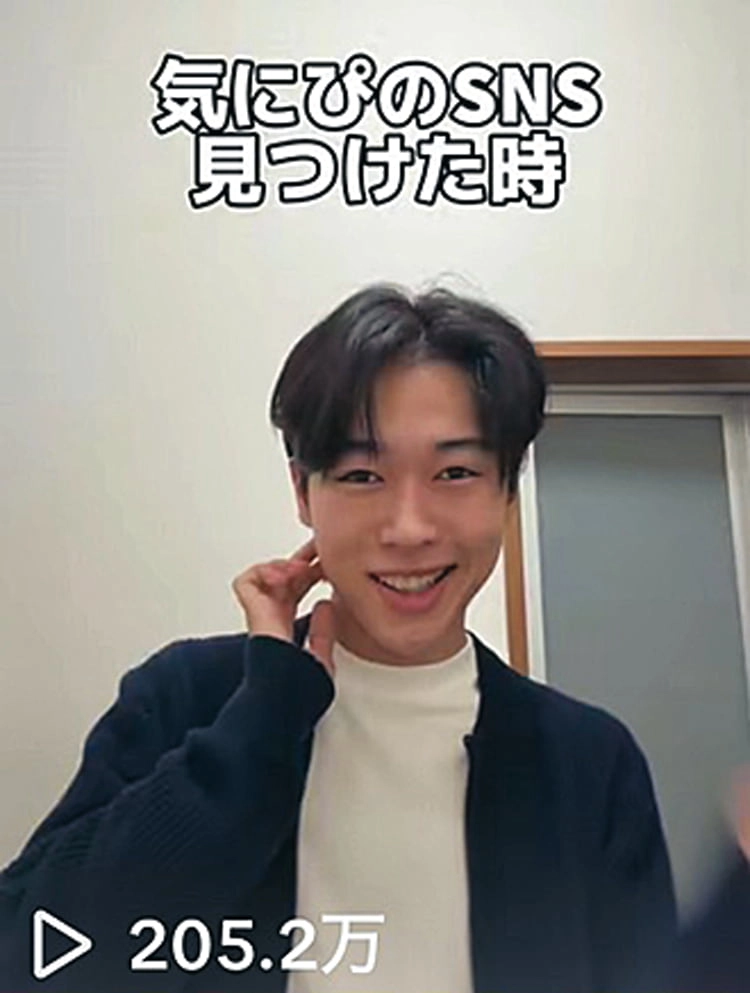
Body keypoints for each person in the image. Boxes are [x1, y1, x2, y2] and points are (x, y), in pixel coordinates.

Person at [0, 283, 709, 993]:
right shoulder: (190, 699)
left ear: (506, 490)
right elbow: (33, 958)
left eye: (455, 472)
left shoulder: (587, 763)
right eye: (363, 475)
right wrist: (260, 725)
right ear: (303, 492)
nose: (409, 527)